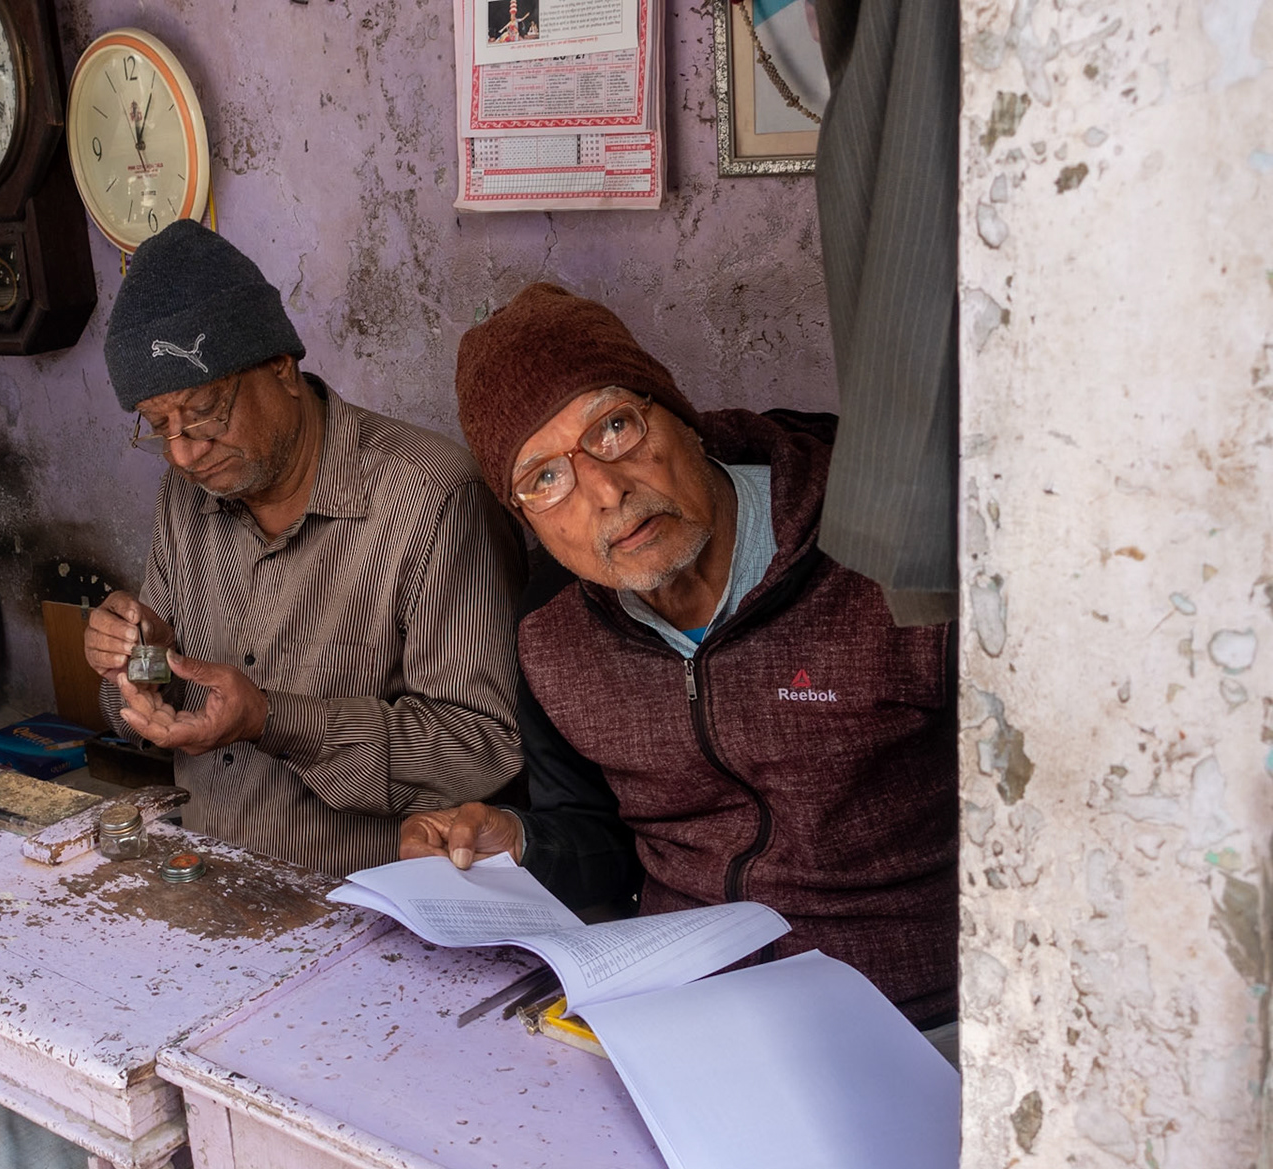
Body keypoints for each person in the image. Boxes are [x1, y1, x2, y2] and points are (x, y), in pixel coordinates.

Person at [401, 283, 955, 1025]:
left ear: (680, 417)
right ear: (527, 519)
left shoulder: (887, 553)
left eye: (614, 428)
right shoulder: (552, 628)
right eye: (545, 478)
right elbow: (600, 840)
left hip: (914, 1012)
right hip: (683, 1013)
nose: (605, 491)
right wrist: (523, 840)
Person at [83, 220, 524, 877]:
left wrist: (271, 720)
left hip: (361, 902)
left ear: (281, 369)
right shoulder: (187, 494)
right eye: (158, 426)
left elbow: (482, 750)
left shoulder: (433, 499)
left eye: (203, 413)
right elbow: (142, 709)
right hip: (207, 877)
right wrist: (135, 662)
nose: (183, 452)